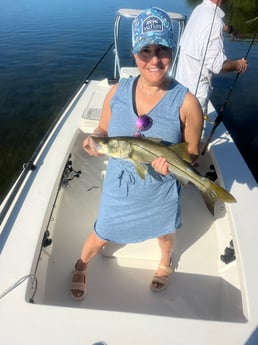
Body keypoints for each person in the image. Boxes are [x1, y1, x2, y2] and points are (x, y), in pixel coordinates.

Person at [70, 7, 203, 300]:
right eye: (146, 50)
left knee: (166, 234)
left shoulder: (188, 103)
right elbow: (102, 130)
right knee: (100, 234)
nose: (154, 60)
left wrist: (177, 165)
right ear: (134, 53)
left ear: (173, 50)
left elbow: (192, 154)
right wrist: (94, 142)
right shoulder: (117, 91)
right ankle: (81, 263)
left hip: (161, 192)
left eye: (163, 49)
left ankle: (166, 260)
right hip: (119, 189)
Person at [175, 0, 248, 115]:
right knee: (195, 132)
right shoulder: (213, 22)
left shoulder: (200, 9)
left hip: (181, 89)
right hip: (196, 99)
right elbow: (217, 65)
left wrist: (230, 29)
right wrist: (239, 65)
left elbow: (213, 24)